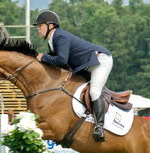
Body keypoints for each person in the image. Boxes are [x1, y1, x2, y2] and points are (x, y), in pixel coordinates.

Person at [34, 10, 113, 142]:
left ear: (50, 26)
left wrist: (44, 57)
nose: (38, 29)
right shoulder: (52, 40)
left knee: (94, 91)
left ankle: (100, 127)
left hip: (101, 60)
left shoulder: (60, 36)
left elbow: (61, 61)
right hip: (86, 65)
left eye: (40, 25)